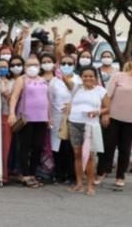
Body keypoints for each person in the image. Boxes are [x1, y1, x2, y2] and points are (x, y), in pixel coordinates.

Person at [97, 54, 132, 191]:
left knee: (125, 149)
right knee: (108, 146)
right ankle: (101, 172)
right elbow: (107, 96)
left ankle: (120, 176)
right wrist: (106, 113)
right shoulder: (118, 76)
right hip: (114, 117)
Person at [66, 66, 109, 196]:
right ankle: (79, 183)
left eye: (91, 76)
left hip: (90, 125)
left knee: (89, 156)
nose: (88, 78)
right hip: (74, 123)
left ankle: (90, 185)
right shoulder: (76, 88)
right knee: (77, 154)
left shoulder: (100, 91)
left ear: (95, 78)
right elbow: (63, 77)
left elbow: (107, 108)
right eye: (85, 76)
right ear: (81, 77)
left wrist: (98, 112)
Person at [9, 56, 48, 188]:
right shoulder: (22, 80)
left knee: (37, 146)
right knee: (24, 146)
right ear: (25, 67)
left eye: (35, 64)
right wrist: (12, 113)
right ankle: (25, 174)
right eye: (29, 65)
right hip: (26, 118)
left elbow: (47, 99)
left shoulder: (43, 80)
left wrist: (49, 117)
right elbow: (14, 97)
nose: (33, 67)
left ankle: (32, 173)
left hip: (41, 118)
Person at [50, 55, 77, 184]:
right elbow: (49, 99)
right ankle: (59, 173)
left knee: (70, 147)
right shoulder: (54, 81)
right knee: (57, 147)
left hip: (73, 117)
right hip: (57, 117)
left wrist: (72, 107)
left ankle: (71, 174)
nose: (66, 66)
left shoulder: (78, 79)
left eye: (70, 63)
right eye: (64, 63)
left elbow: (75, 90)